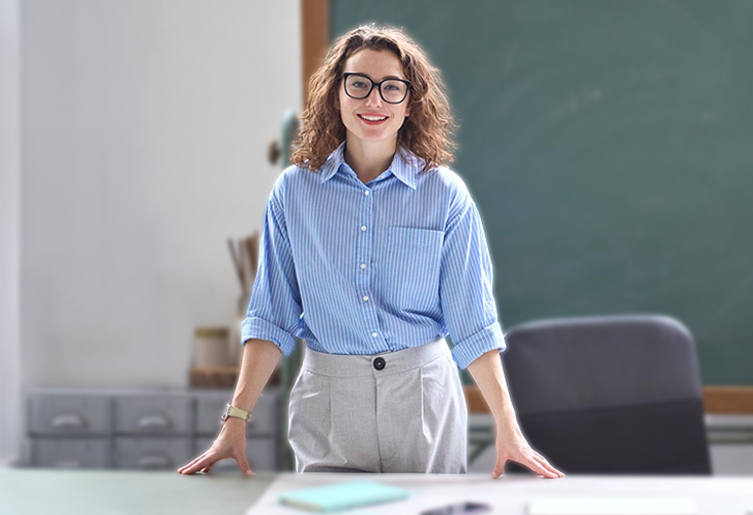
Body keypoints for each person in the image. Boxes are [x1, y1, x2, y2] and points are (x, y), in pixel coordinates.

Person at [178, 23, 563, 478]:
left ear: (410, 104)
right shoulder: (294, 192)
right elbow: (271, 315)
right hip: (330, 403)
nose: (374, 100)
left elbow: (473, 321)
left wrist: (508, 426)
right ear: (335, 95)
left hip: (423, 400)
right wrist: (235, 420)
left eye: (391, 88)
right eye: (358, 84)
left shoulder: (444, 194)